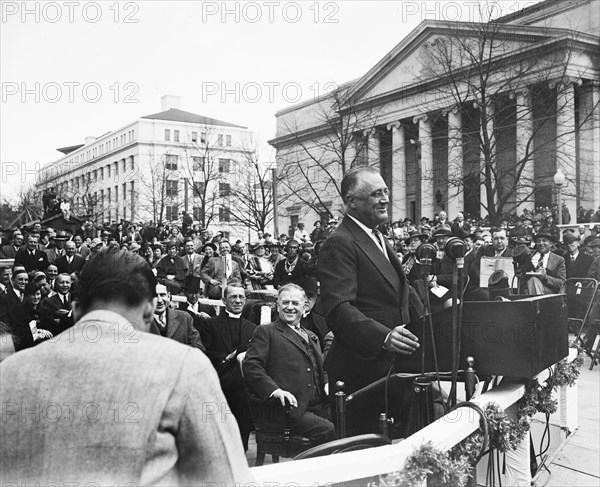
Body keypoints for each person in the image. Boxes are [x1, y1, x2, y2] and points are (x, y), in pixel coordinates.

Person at [0, 247, 252, 484]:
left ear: (76, 312)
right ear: (150, 311)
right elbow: (227, 478)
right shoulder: (183, 366)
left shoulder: (9, 372)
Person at [317, 166, 418, 436]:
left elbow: (402, 296)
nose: (385, 199)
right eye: (376, 194)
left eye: (385, 191)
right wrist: (384, 337)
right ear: (351, 201)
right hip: (362, 374)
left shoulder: (379, 238)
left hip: (394, 370)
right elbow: (338, 309)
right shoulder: (340, 242)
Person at [243, 283, 336, 448]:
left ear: (304, 306)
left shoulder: (312, 336)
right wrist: (275, 391)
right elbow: (251, 366)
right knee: (328, 430)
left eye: (295, 303)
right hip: (287, 409)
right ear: (277, 305)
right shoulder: (266, 331)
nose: (290, 307)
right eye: (285, 302)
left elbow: (321, 366)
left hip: (319, 405)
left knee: (349, 422)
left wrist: (327, 383)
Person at [202, 284, 257, 451]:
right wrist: (228, 357)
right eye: (233, 297)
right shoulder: (211, 324)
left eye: (241, 297)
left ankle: (241, 448)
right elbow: (206, 352)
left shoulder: (252, 327)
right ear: (223, 300)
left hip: (242, 384)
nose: (238, 301)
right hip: (219, 380)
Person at [150, 283, 205, 351]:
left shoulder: (184, 318)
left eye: (162, 295)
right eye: (154, 296)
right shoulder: (140, 321)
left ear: (169, 296)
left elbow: (198, 347)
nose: (159, 300)